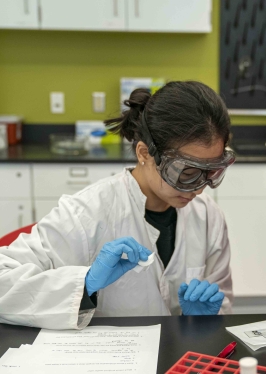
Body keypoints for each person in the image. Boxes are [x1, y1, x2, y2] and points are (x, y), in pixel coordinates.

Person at [0, 81, 236, 329]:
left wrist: (202, 318)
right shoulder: (88, 212)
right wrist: (84, 285)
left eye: (210, 171)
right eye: (186, 172)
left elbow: (223, 306)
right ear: (144, 153)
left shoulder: (208, 216)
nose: (199, 188)